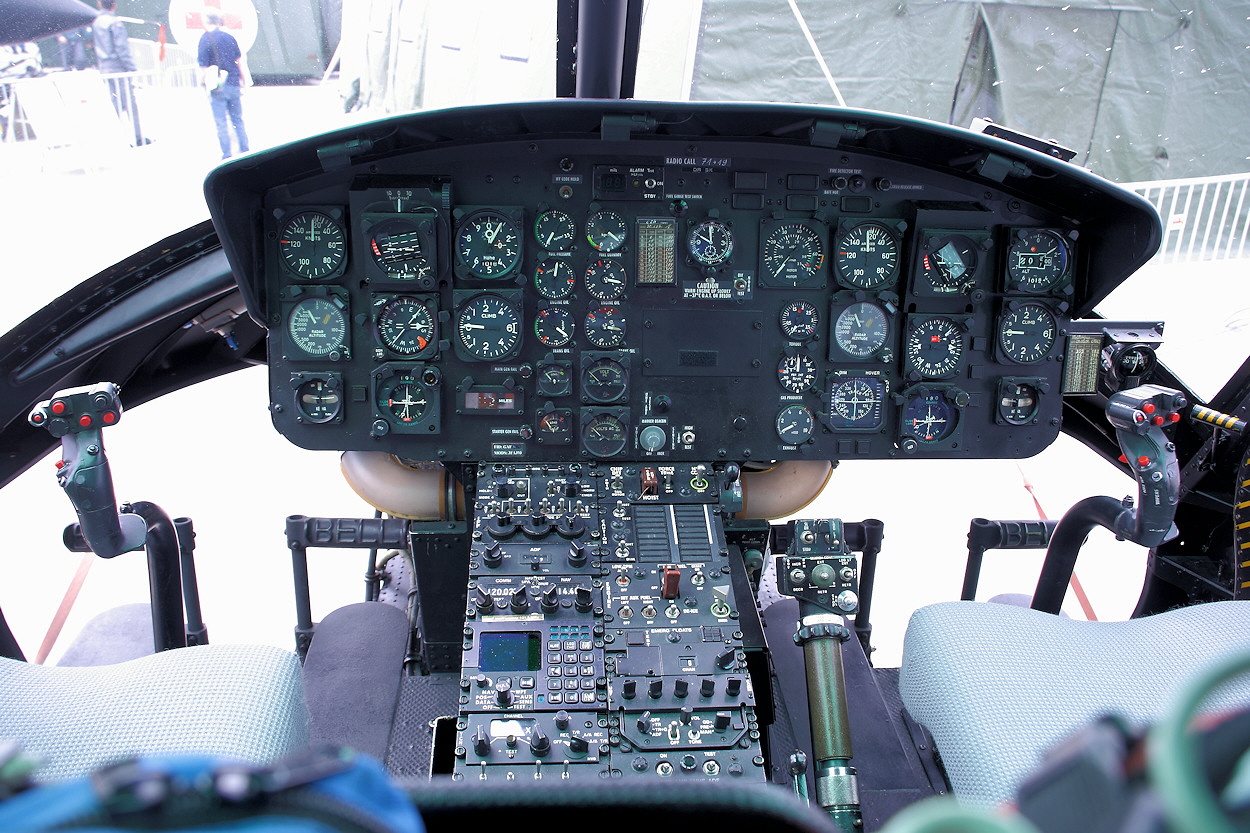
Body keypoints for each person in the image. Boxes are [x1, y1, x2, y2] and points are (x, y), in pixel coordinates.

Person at [93, 0, 147, 145]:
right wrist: (132, 68)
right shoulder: (114, 22)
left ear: (99, 4)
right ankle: (137, 137)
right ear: (114, 5)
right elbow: (121, 48)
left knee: (114, 104)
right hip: (118, 68)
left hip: (105, 68)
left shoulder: (97, 21)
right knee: (129, 103)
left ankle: (119, 138)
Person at [197, 10, 250, 159]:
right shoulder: (229, 37)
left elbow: (203, 67)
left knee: (221, 123)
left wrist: (202, 84)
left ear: (206, 21)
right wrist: (243, 81)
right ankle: (245, 151)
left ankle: (227, 155)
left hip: (217, 86)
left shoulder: (205, 39)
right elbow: (239, 62)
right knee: (238, 120)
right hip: (233, 83)